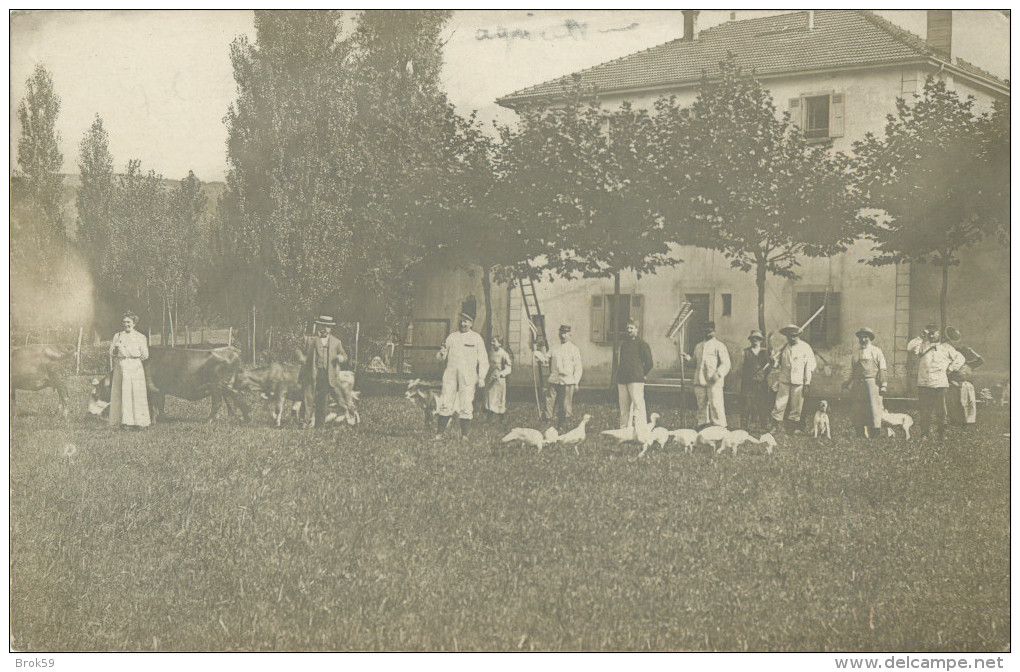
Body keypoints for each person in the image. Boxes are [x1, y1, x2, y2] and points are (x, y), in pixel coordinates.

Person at [435, 311, 489, 440]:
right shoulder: (452, 337)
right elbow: (440, 357)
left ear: (471, 323)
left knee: (466, 402)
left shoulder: (476, 338)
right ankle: (439, 434)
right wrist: (441, 354)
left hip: (468, 375)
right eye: (461, 321)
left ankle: (464, 435)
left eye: (466, 321)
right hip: (451, 373)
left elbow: (483, 359)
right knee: (446, 401)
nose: (463, 323)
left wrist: (482, 377)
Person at [907, 324, 965, 439]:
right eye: (929, 333)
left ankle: (942, 433)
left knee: (941, 411)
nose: (931, 335)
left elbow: (961, 358)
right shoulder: (922, 345)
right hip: (924, 383)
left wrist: (950, 368)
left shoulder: (947, 347)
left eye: (934, 332)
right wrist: (920, 337)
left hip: (940, 384)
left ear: (939, 333)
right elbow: (910, 348)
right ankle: (924, 433)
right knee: (924, 410)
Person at [299, 315, 348, 428]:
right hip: (311, 372)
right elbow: (298, 350)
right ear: (318, 326)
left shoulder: (336, 342)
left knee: (323, 400)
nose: (325, 329)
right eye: (323, 326)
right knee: (308, 397)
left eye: (328, 327)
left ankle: (319, 425)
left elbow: (345, 355)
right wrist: (301, 357)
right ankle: (304, 422)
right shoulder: (309, 339)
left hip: (327, 375)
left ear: (331, 328)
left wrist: (341, 358)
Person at [535, 324, 584, 431]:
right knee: (549, 402)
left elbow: (578, 367)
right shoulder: (554, 348)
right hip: (554, 380)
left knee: (565, 405)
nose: (562, 335)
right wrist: (538, 355)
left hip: (567, 381)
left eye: (565, 333)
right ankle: (546, 424)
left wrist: (576, 381)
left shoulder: (574, 349)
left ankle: (563, 426)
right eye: (561, 333)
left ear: (569, 335)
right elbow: (545, 360)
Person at [842, 327, 888, 439]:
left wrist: (883, 385)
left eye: (865, 337)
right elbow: (850, 370)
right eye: (861, 338)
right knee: (858, 407)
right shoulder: (855, 353)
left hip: (872, 383)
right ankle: (860, 432)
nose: (863, 340)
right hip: (858, 383)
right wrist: (846, 382)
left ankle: (875, 433)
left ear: (870, 338)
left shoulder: (876, 351)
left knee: (874, 407)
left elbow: (882, 369)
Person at [683, 321, 730, 429]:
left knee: (715, 404)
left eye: (710, 331)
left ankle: (720, 427)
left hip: (714, 381)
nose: (708, 333)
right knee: (701, 404)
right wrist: (688, 359)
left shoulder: (719, 346)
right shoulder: (698, 346)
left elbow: (726, 363)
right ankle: (702, 425)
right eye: (705, 331)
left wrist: (718, 373)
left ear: (714, 332)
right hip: (700, 380)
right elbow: (695, 362)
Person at [770, 324, 816, 433]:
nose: (791, 338)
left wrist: (807, 383)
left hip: (799, 382)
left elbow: (810, 366)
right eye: (789, 336)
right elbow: (776, 364)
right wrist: (772, 360)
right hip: (784, 381)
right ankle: (775, 426)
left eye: (794, 336)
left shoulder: (805, 348)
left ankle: (792, 428)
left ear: (798, 335)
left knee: (796, 406)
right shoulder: (783, 348)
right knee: (779, 404)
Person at [109, 312, 151, 429]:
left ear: (134, 323)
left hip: (134, 366)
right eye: (124, 322)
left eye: (128, 322)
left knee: (136, 392)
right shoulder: (117, 336)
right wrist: (115, 351)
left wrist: (132, 356)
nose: (126, 324)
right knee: (121, 392)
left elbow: (145, 355)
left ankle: (138, 421)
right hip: (121, 366)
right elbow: (111, 351)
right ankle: (124, 421)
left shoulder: (140, 337)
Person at [616, 320, 654, 429]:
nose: (628, 330)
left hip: (636, 379)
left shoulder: (642, 344)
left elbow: (649, 363)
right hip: (623, 379)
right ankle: (624, 429)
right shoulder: (624, 345)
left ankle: (640, 429)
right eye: (627, 328)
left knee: (638, 405)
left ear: (637, 329)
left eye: (631, 328)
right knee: (624, 407)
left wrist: (642, 374)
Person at [740, 330, 771, 432]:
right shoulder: (745, 352)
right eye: (753, 338)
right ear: (750, 340)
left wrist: (772, 362)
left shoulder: (765, 352)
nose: (755, 340)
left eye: (758, 338)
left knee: (763, 404)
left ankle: (764, 425)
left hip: (762, 383)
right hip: (748, 384)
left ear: (761, 340)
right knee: (746, 405)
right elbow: (740, 368)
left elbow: (771, 368)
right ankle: (744, 426)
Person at [484, 335, 513, 424]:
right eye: (492, 341)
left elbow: (509, 368)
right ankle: (489, 419)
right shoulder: (491, 352)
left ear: (500, 344)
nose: (492, 343)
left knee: (499, 398)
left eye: (494, 342)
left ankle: (501, 419)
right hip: (491, 379)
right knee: (490, 398)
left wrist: (501, 374)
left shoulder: (504, 354)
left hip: (499, 380)